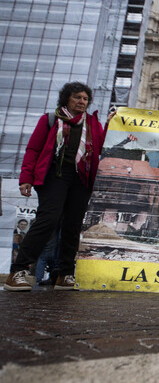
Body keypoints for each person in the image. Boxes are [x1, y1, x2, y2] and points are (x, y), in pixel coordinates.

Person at [4, 82, 114, 291]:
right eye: (77, 98)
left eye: (85, 99)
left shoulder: (91, 123)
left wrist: (110, 124)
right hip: (54, 176)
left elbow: (102, 145)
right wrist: (25, 178)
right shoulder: (50, 120)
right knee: (48, 219)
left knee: (73, 227)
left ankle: (65, 274)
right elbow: (33, 149)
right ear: (67, 99)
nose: (82, 102)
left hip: (81, 179)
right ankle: (18, 271)